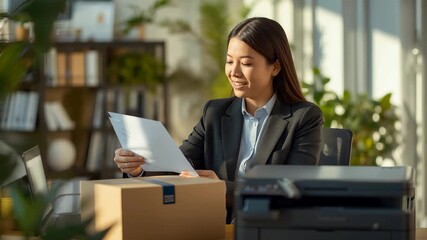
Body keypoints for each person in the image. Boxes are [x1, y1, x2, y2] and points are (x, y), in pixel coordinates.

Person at [113, 17, 323, 223]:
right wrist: (138, 167)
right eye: (230, 61)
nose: (234, 72)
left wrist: (222, 188)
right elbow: (180, 164)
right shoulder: (215, 112)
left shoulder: (303, 117)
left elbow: (292, 188)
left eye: (246, 63)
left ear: (275, 67)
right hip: (213, 224)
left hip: (269, 226)